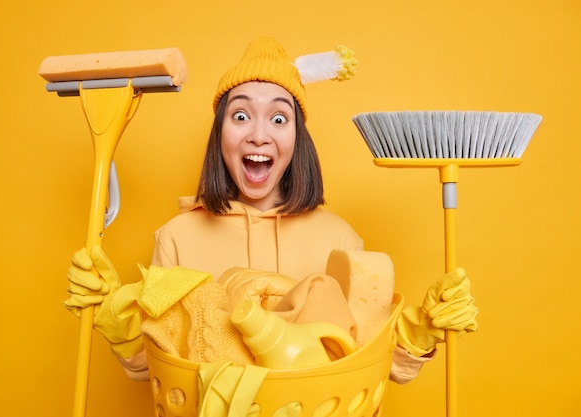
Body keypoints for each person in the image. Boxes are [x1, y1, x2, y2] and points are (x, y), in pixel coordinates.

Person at [64, 37, 478, 384]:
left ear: (297, 139)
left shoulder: (339, 239)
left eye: (279, 118)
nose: (259, 135)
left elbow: (368, 364)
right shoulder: (177, 237)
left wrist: (419, 331)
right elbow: (153, 367)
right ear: (219, 135)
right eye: (241, 115)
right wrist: (117, 320)